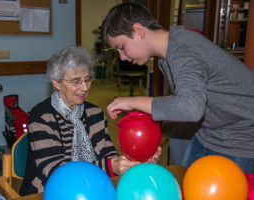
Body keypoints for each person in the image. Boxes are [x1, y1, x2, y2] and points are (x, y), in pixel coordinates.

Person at [101, 3, 254, 174]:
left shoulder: (181, 50)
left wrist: (133, 101)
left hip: (241, 138)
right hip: (211, 131)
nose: (122, 57)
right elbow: (186, 100)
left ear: (138, 30)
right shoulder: (166, 56)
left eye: (121, 47)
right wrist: (138, 105)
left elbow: (191, 108)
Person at [19, 46, 161, 196]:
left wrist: (137, 162)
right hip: (48, 191)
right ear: (56, 83)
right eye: (76, 81)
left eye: (87, 80)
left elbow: (108, 155)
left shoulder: (95, 113)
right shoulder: (41, 116)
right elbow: (59, 172)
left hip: (93, 188)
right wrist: (110, 167)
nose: (85, 87)